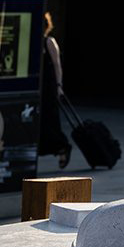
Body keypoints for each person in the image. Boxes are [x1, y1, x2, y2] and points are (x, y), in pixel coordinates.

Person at [38, 10, 71, 169]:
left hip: (49, 87)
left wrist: (59, 86)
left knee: (50, 119)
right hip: (38, 88)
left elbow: (57, 65)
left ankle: (62, 147)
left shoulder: (49, 42)